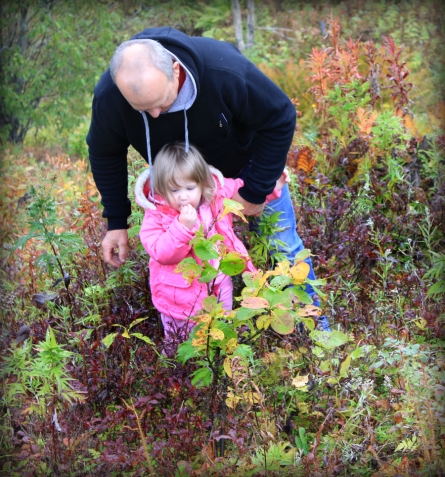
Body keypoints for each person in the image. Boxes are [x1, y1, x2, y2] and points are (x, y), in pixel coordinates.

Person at [86, 26, 330, 331]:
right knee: (200, 266)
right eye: (143, 110)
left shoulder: (223, 69)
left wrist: (256, 191)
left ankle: (318, 332)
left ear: (175, 70)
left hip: (244, 170)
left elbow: (280, 116)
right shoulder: (111, 96)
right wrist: (116, 222)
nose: (157, 114)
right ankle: (215, 336)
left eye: (162, 101)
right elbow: (104, 152)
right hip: (180, 190)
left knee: (283, 247)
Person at [134, 142, 287, 350]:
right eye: (174, 190)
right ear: (160, 188)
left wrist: (271, 186)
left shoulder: (214, 196)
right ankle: (180, 374)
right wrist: (181, 227)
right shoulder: (157, 215)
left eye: (190, 188)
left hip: (219, 282)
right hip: (180, 296)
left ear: (202, 183)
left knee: (221, 328)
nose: (183, 196)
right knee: (183, 343)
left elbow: (244, 191)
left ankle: (220, 364)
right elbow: (161, 252)